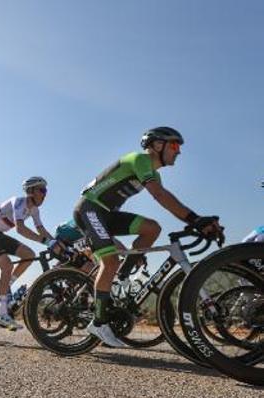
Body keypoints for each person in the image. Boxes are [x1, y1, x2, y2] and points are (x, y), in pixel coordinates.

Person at [73, 126, 223, 348]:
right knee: (110, 260)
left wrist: (194, 220)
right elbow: (160, 196)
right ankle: (99, 322)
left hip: (107, 214)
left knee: (152, 229)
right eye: (174, 145)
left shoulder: (153, 173)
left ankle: (122, 276)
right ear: (157, 145)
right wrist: (195, 219)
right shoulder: (140, 159)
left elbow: (163, 196)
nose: (178, 151)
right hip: (90, 209)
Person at [0, 176, 57, 329]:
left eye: (46, 191)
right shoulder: (19, 202)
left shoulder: (34, 210)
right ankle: (2, 313)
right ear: (31, 191)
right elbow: (20, 229)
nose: (45, 194)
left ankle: (4, 286)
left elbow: (42, 230)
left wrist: (57, 243)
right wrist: (46, 242)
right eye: (42, 190)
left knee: (29, 255)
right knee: (6, 265)